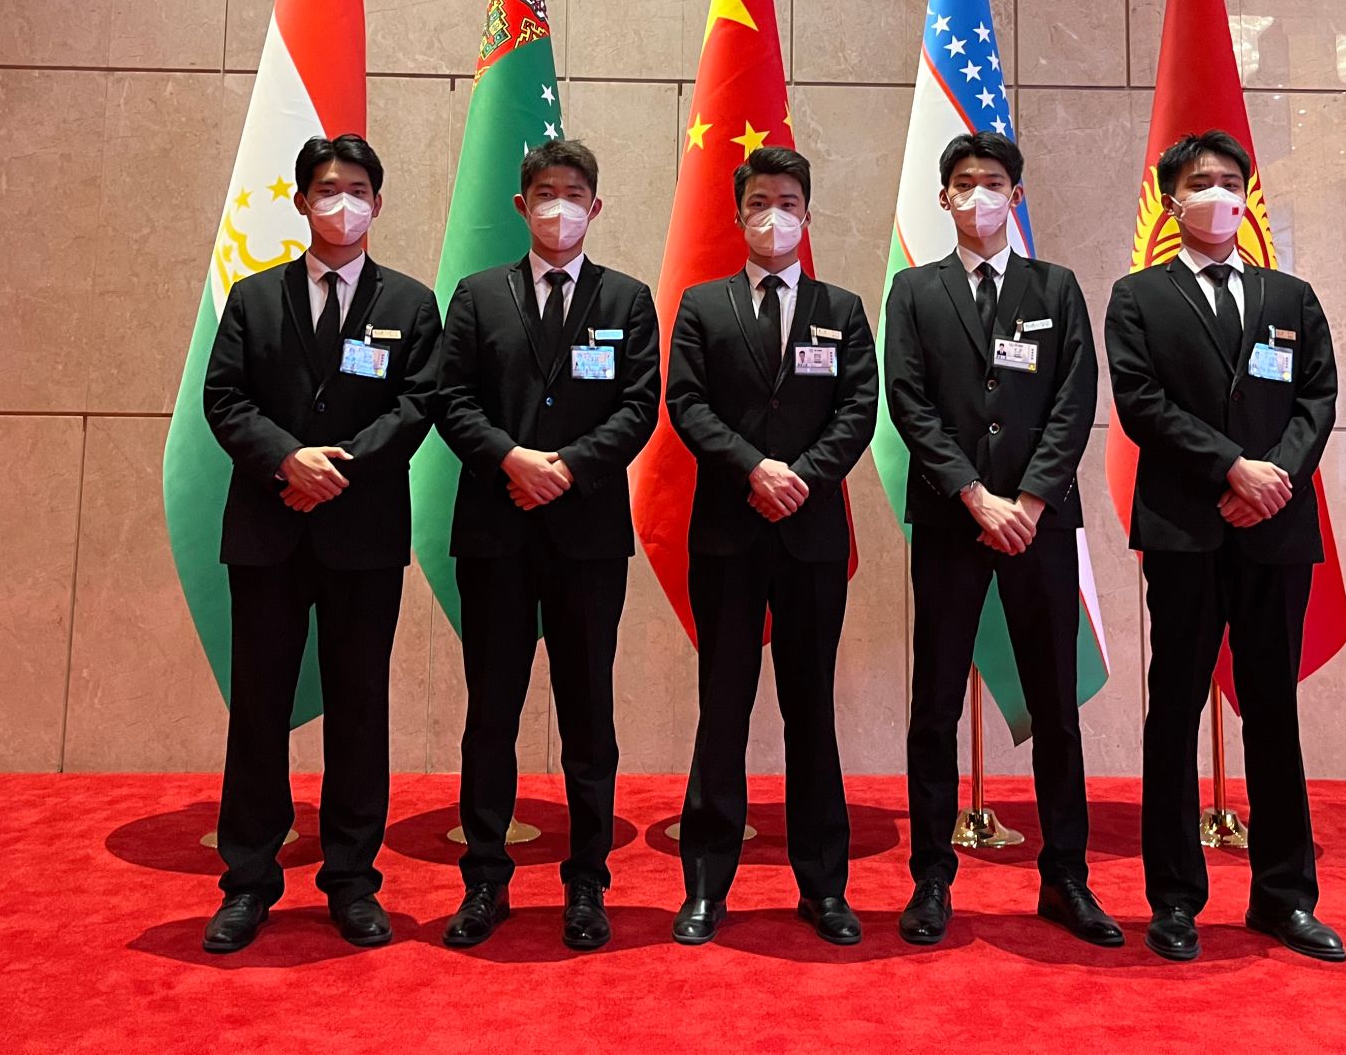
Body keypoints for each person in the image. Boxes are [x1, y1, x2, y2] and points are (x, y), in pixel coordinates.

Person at [1104, 130, 1343, 964]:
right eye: (1201, 182)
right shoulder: (1139, 297)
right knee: (1174, 709)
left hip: (1276, 528)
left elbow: (1317, 397)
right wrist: (1231, 469)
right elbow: (1141, 403)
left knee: (1273, 709)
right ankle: (1174, 899)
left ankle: (1284, 896)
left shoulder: (1291, 296)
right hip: (1186, 527)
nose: (1219, 195)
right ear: (1172, 201)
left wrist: (1274, 477)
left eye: (1231, 181)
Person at [199, 134, 441, 954]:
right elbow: (224, 398)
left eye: (359, 190)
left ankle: (352, 881)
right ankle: (248, 881)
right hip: (268, 530)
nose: (344, 203)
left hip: (362, 534)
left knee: (360, 709)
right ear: (302, 201)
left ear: (378, 203)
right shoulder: (253, 297)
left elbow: (417, 405)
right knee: (258, 710)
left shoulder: (411, 304)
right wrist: (287, 461)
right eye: (329, 189)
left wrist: (339, 469)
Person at [883, 132, 1118, 950]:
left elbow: (1074, 400)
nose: (978, 195)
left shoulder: (1056, 286)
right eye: (964, 183)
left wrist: (1029, 499)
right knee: (935, 706)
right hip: (952, 520)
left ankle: (1067, 878)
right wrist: (975, 495)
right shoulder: (915, 290)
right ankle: (931, 878)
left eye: (993, 182)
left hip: (1040, 525)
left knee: (1056, 706)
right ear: (943, 198)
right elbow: (908, 402)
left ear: (1016, 197)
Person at [432, 138, 661, 952]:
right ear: (521, 205)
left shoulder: (627, 299)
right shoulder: (476, 296)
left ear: (595, 208)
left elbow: (640, 405)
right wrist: (511, 460)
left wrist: (568, 468)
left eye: (574, 194)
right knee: (490, 711)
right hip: (495, 530)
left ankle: (587, 881)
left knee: (587, 714)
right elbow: (449, 397)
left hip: (587, 534)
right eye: (545, 193)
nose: (559, 207)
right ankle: (485, 879)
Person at [664, 146, 878, 948]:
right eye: (760, 202)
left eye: (788, 202)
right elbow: (686, 402)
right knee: (722, 707)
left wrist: (802, 478)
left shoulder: (841, 309)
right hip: (727, 531)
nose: (774, 216)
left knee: (810, 710)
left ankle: (824, 886)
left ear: (807, 214)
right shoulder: (702, 305)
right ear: (738, 213)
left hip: (812, 535)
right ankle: (705, 885)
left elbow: (858, 408)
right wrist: (754, 469)